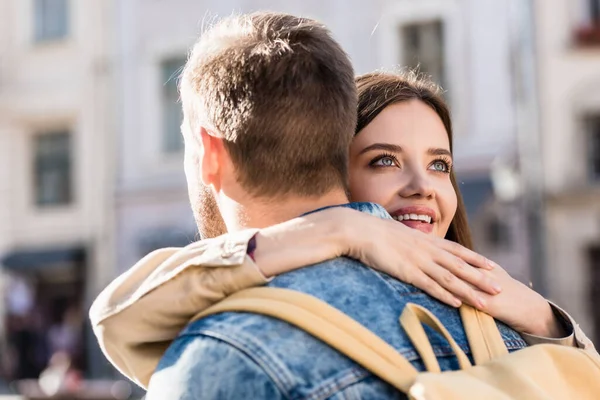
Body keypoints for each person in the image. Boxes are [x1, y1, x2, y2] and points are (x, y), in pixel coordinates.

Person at [90, 11, 596, 397]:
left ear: (211, 155)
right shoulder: (503, 339)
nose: (422, 186)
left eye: (441, 164)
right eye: (384, 161)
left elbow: (121, 319)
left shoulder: (225, 354)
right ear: (336, 158)